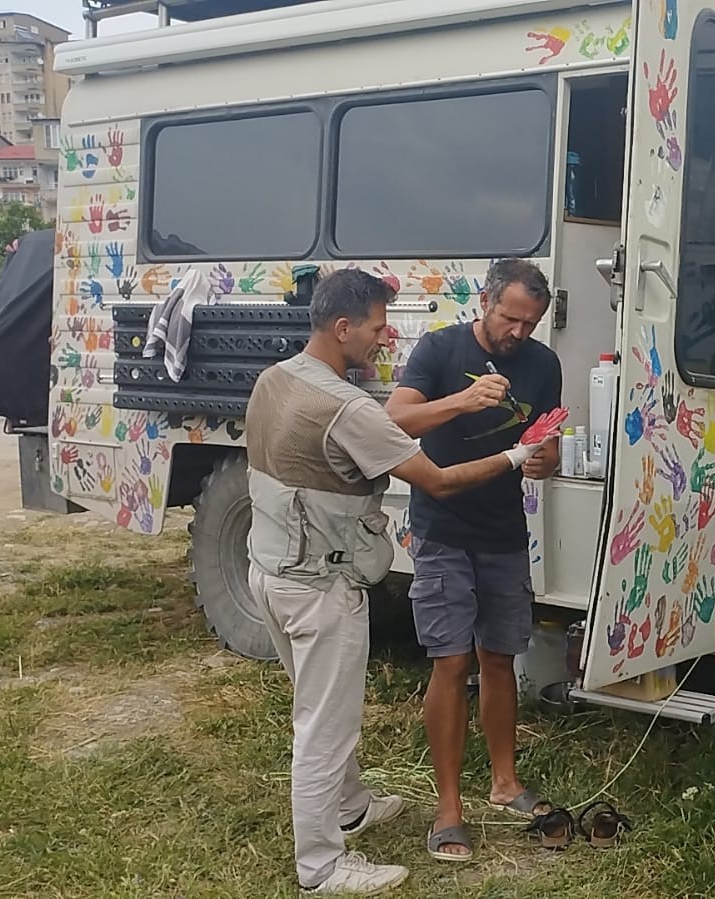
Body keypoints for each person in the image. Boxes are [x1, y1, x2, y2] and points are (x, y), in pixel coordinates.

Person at [245, 268, 555, 895]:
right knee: (324, 727)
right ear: (342, 328)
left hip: (274, 569)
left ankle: (353, 806)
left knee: (326, 707)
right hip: (320, 583)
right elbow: (433, 477)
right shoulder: (352, 404)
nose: (386, 340)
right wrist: (507, 447)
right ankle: (322, 866)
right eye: (380, 329)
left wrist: (538, 456)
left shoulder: (276, 378)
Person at [385, 258, 562, 862]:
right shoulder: (439, 349)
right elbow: (394, 418)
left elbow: (547, 441)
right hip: (442, 529)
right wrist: (461, 402)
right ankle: (448, 809)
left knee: (500, 658)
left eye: (530, 323)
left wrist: (545, 460)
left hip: (505, 532)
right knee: (451, 661)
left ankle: (505, 783)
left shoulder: (543, 364)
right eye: (511, 318)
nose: (519, 333)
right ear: (486, 300)